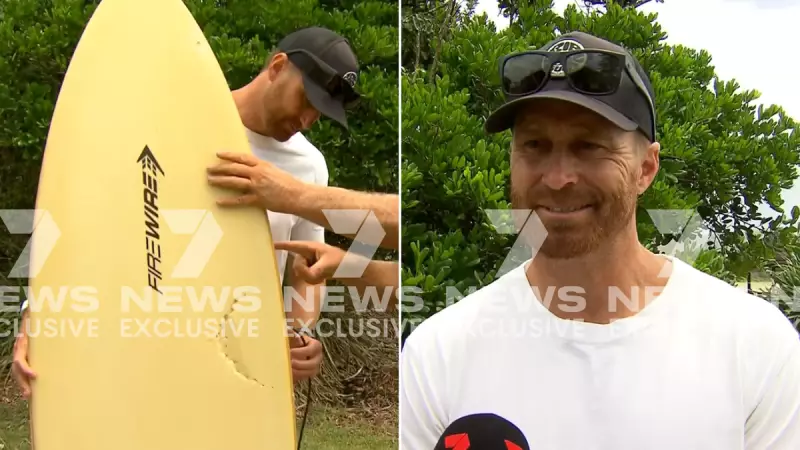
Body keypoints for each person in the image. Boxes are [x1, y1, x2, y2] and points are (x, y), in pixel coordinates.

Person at [399, 31, 800, 449]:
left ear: (646, 168)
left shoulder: (756, 348)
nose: (557, 178)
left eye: (589, 146)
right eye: (534, 146)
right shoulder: (439, 354)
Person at [11, 25, 363, 398]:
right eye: (306, 100)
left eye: (320, 113)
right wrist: (34, 321)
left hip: (235, 372)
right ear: (277, 67)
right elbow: (79, 225)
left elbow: (307, 270)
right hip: (133, 354)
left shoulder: (309, 166)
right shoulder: (172, 124)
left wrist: (301, 333)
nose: (307, 120)